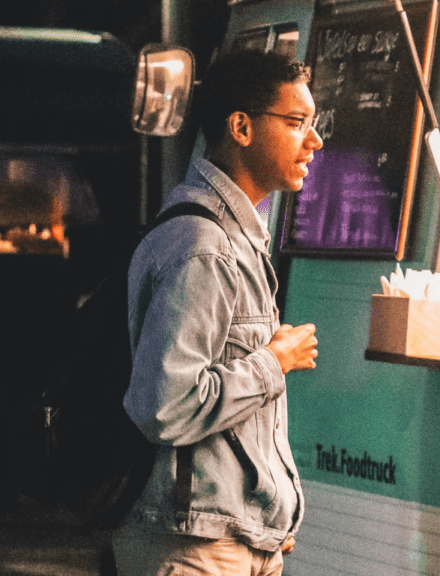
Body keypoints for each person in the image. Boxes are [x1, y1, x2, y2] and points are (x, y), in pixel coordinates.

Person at [113, 49, 323, 576]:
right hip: (194, 550)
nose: (314, 141)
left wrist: (264, 521)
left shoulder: (233, 239)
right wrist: (274, 361)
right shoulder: (204, 247)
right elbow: (165, 405)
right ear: (241, 127)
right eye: (297, 122)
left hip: (227, 542)